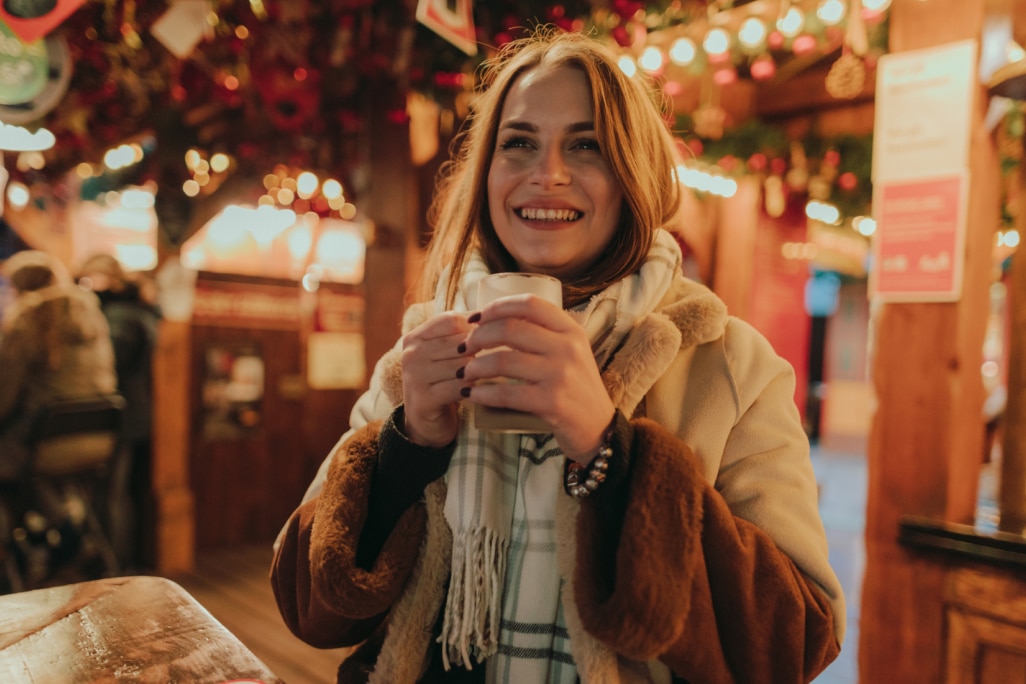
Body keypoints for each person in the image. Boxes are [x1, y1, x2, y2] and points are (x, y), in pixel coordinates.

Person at [271, 28, 844, 683]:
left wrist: (610, 451)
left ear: (637, 176)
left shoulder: (730, 363)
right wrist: (409, 446)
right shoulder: (424, 349)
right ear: (486, 173)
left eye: (587, 145)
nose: (548, 174)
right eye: (518, 143)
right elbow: (307, 609)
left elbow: (797, 641)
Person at [76, 253, 161, 570]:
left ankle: (112, 565)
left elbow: (112, 363)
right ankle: (120, 560)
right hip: (133, 412)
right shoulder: (136, 311)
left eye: (91, 280)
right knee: (119, 492)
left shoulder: (118, 316)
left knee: (111, 495)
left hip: (119, 414)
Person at [0, 250, 117, 480]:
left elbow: (4, 393)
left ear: (19, 287)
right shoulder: (92, 314)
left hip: (44, 440)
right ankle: (63, 513)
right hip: (97, 436)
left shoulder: (27, 318)